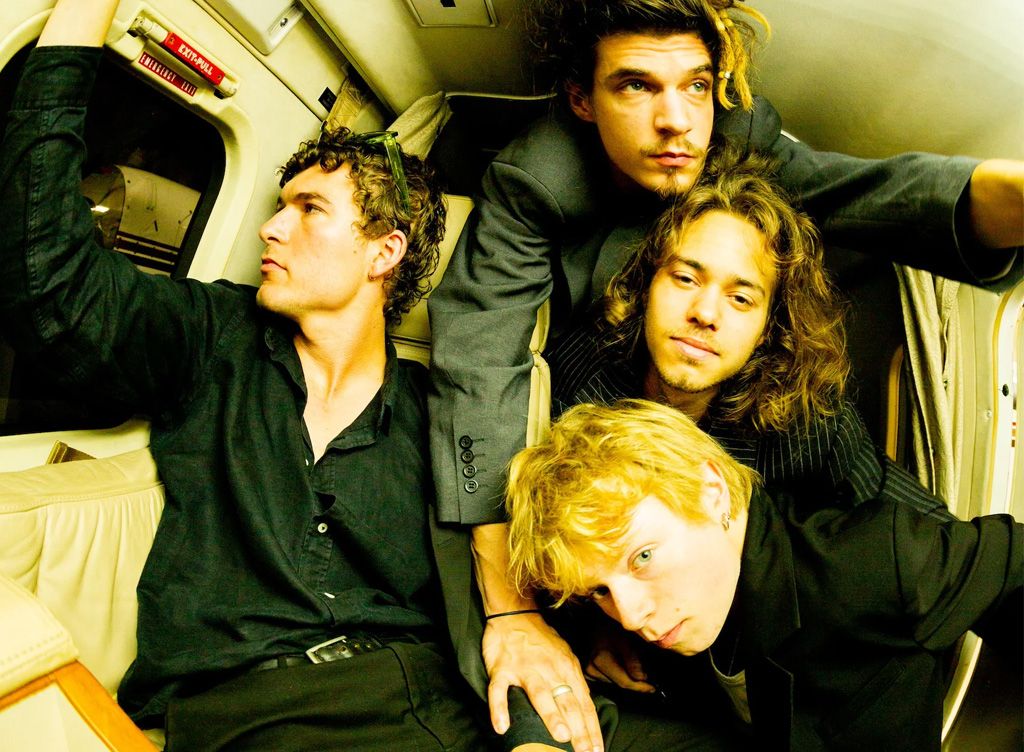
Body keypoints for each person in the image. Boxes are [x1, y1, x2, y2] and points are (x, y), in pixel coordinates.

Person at [427, 0, 1022, 746]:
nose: (677, 121)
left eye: (697, 86)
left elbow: (867, 193)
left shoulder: (801, 418)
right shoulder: (577, 378)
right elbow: (477, 372)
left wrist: (933, 587)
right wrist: (545, 611)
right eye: (636, 85)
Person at [0, 1, 503, 749]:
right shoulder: (214, 337)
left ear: (384, 252)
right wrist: (82, 13)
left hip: (421, 705)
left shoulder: (443, 417)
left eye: (309, 209)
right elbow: (49, 280)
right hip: (244, 713)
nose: (272, 227)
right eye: (277, 206)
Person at [505, 399, 1022, 750]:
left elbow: (1014, 564)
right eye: (599, 589)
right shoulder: (658, 612)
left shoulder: (872, 561)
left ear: (711, 491)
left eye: (642, 557)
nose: (631, 616)